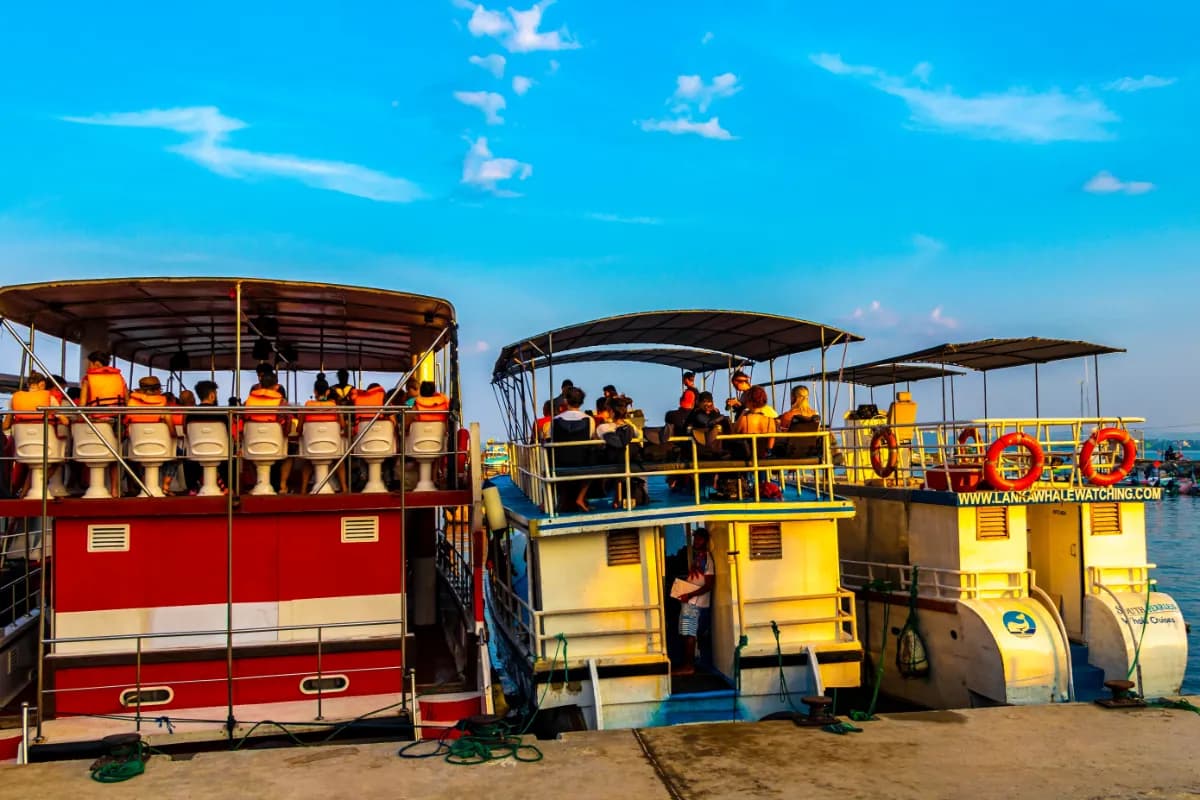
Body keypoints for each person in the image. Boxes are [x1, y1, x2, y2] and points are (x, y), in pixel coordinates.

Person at [675, 528, 716, 676]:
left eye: (699, 539)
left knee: (690, 634)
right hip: (690, 602)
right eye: (695, 539)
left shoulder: (707, 559)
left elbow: (709, 585)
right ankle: (691, 663)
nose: (695, 541)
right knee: (687, 634)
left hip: (696, 603)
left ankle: (689, 666)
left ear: (705, 540)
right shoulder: (698, 557)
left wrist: (689, 594)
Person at [300, 376, 346, 493]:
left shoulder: (307, 406)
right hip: (331, 447)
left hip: (312, 448)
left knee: (307, 459)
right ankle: (345, 488)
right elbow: (342, 426)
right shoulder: (334, 407)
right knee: (339, 458)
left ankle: (303, 489)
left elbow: (299, 428)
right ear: (328, 391)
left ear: (314, 391)